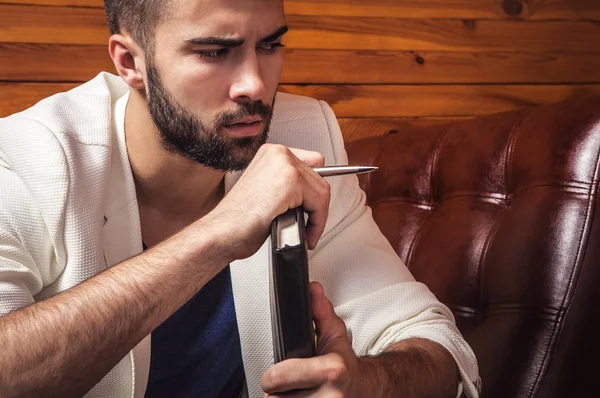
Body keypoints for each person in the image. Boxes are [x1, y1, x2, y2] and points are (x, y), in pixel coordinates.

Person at [0, 0, 481, 397]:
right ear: (130, 62)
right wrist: (217, 233)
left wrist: (363, 385)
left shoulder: (303, 133)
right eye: (214, 51)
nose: (254, 84)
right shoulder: (26, 157)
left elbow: (437, 346)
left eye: (270, 45)